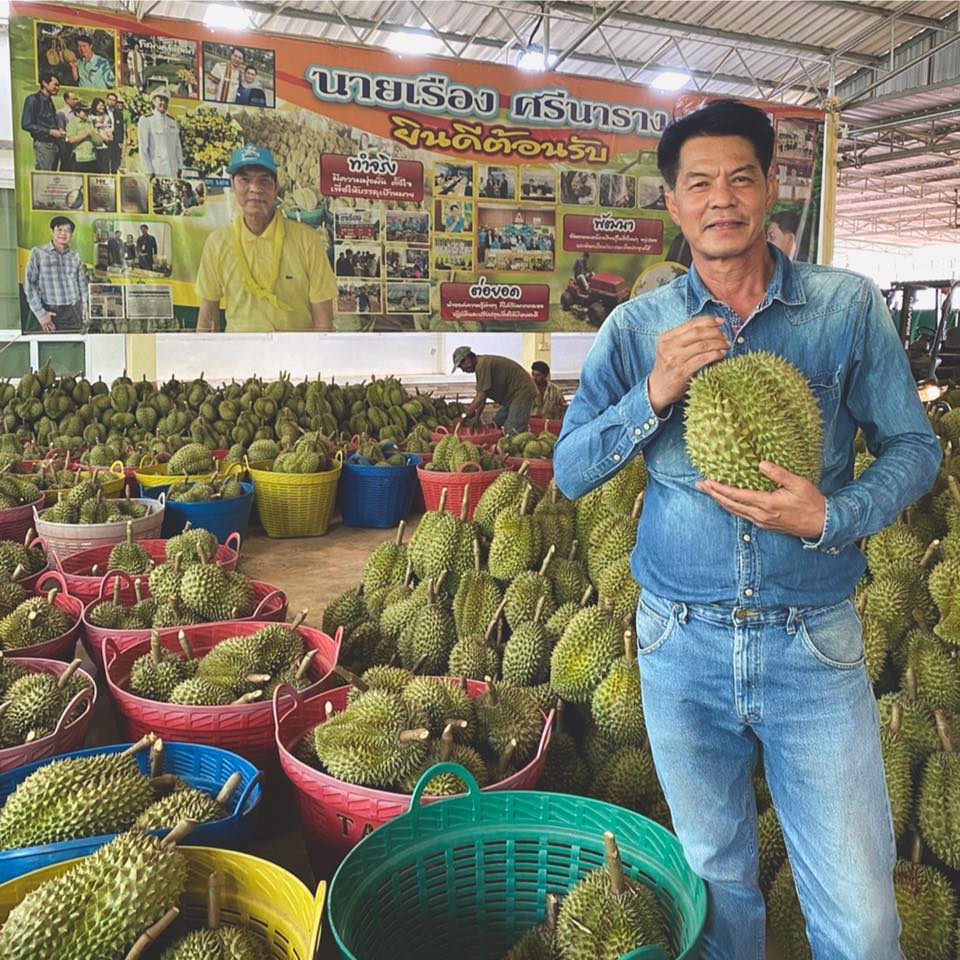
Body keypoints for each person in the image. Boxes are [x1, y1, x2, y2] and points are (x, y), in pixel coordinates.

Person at [553, 98, 942, 960]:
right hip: (679, 641)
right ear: (673, 202)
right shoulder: (638, 327)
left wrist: (834, 514)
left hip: (815, 639)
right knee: (718, 885)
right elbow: (571, 468)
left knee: (864, 917)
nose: (720, 198)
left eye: (740, 177)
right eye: (699, 183)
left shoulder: (843, 308)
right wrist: (651, 394)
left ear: (771, 188)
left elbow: (916, 449)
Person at [195, 145, 336, 333]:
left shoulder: (307, 241)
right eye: (245, 180)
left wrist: (313, 361)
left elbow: (323, 323)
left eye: (264, 180)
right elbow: (207, 321)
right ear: (232, 185)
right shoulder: (217, 243)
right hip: (241, 359)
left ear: (275, 186)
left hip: (295, 359)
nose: (255, 188)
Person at [452, 347, 539, 437]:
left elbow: (480, 396)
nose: (463, 369)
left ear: (469, 357)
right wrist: (477, 417)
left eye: (463, 363)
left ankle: (514, 447)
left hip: (522, 392)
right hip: (512, 397)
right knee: (497, 422)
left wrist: (464, 417)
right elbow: (483, 395)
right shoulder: (480, 366)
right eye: (460, 367)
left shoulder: (483, 364)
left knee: (512, 431)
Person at [24, 216, 88, 333]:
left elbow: (82, 285)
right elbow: (29, 284)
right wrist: (41, 314)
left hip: (74, 312)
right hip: (50, 312)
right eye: (59, 229)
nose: (63, 233)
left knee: (74, 348)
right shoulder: (38, 253)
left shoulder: (75, 256)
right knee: (52, 348)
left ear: (71, 234)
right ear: (52, 231)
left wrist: (85, 307)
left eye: (67, 230)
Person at [21, 72, 66, 170]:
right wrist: (50, 132)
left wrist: (58, 131)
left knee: (51, 181)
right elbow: (26, 124)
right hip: (44, 146)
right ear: (45, 83)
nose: (58, 88)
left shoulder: (49, 101)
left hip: (54, 146)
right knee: (45, 180)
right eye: (55, 85)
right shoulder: (33, 99)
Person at [137, 87, 182, 178]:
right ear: (153, 101)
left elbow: (178, 147)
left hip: (172, 170)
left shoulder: (172, 121)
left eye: (166, 100)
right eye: (160, 100)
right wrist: (148, 171)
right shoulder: (146, 120)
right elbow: (143, 148)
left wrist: (180, 167)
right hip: (156, 170)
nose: (163, 103)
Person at [65, 102, 103, 173]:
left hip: (92, 157)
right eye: (84, 111)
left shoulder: (89, 123)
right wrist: (86, 134)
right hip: (79, 158)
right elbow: (71, 140)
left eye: (88, 111)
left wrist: (97, 137)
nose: (87, 113)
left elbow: (98, 141)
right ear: (77, 112)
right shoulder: (72, 123)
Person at [55, 90, 80, 171]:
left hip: (77, 144)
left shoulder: (77, 113)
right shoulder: (61, 113)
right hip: (66, 145)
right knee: (66, 166)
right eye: (73, 99)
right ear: (67, 100)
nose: (75, 101)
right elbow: (61, 129)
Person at [90, 97, 114, 174]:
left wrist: (109, 136)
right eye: (99, 105)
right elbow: (92, 130)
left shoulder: (107, 117)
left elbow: (110, 128)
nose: (102, 107)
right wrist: (102, 138)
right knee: (96, 168)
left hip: (106, 146)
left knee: (105, 167)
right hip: (95, 145)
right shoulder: (91, 117)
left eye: (103, 105)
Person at [106, 92, 125, 173]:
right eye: (110, 99)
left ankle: (114, 173)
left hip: (115, 140)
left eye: (114, 100)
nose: (111, 102)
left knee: (115, 160)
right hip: (105, 138)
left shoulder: (119, 113)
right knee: (105, 160)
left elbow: (121, 128)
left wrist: (120, 141)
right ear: (107, 100)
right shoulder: (102, 111)